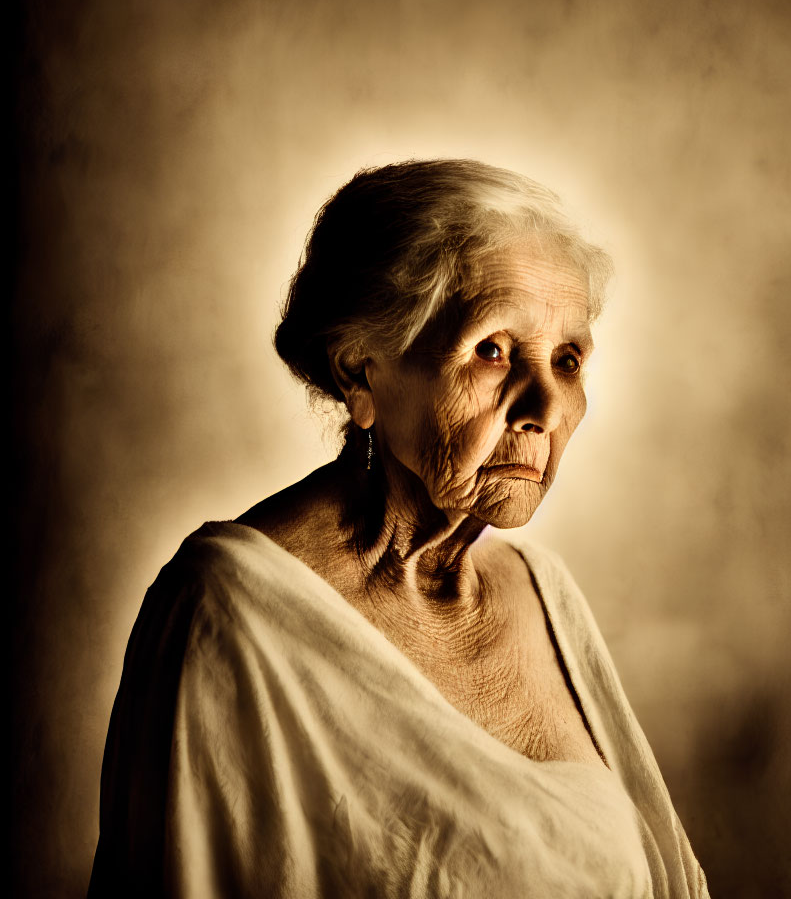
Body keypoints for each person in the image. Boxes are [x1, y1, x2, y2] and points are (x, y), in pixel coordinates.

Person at [88, 159, 710, 898]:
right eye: (494, 350)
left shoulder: (544, 592)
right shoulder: (228, 615)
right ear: (359, 372)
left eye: (568, 360)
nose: (544, 402)